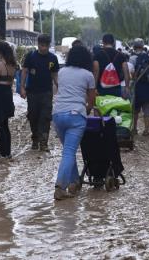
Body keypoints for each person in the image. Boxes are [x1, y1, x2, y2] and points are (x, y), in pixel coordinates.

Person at [52, 45, 96, 200]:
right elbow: (92, 99)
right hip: (76, 116)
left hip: (58, 115)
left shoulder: (62, 72)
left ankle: (74, 182)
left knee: (67, 151)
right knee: (69, 152)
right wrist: (88, 109)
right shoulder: (88, 75)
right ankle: (60, 186)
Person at [20, 34, 59, 152]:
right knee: (33, 116)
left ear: (48, 45)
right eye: (42, 45)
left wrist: (59, 87)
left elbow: (54, 75)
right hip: (32, 92)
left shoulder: (53, 58)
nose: (44, 48)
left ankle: (44, 142)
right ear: (38, 44)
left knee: (46, 117)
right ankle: (35, 138)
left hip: (47, 92)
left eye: (46, 46)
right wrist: (22, 87)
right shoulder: (31, 56)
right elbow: (25, 71)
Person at [130, 39, 149, 137]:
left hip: (137, 87)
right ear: (143, 47)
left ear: (134, 47)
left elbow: (131, 74)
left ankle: (134, 129)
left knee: (135, 109)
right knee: (148, 109)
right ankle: (146, 130)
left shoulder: (132, 58)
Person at [93, 33, 130, 98]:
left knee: (101, 107)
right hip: (116, 89)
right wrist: (127, 87)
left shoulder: (97, 55)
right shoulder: (121, 55)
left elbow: (96, 71)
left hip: (101, 89)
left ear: (103, 42)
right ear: (113, 43)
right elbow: (126, 71)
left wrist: (94, 88)